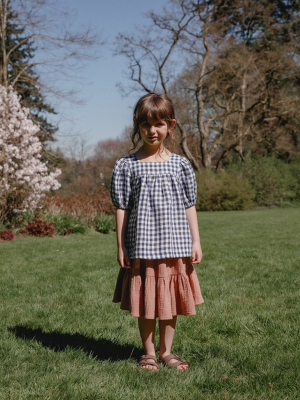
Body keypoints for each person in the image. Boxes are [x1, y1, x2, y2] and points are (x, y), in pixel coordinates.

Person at [110, 93, 204, 371]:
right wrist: (121, 246)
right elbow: (121, 207)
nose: (152, 130)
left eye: (159, 124)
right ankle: (148, 352)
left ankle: (167, 352)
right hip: (142, 247)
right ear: (138, 127)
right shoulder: (126, 166)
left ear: (170, 126)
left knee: (169, 302)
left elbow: (190, 204)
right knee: (147, 301)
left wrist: (196, 241)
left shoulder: (181, 165)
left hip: (175, 246)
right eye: (146, 124)